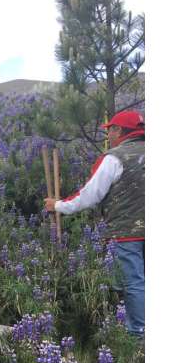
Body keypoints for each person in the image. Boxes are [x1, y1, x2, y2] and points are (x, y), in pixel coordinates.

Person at [44, 110, 145, 338]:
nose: (108, 134)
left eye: (110, 129)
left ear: (119, 130)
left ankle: (139, 337)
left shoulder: (115, 158)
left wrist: (58, 205)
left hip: (126, 232)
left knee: (133, 283)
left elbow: (90, 195)